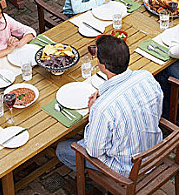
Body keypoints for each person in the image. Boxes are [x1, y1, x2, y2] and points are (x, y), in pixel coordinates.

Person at [56, 35, 163, 176]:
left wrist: (92, 114)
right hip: (153, 152)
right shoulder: (146, 76)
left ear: (103, 66)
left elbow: (93, 151)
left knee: (62, 150)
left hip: (128, 170)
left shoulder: (102, 109)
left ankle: (102, 179)